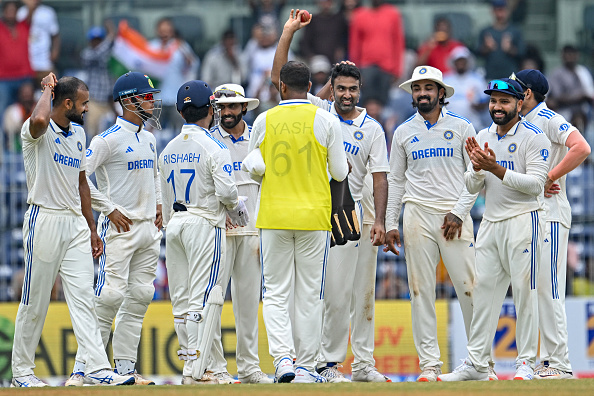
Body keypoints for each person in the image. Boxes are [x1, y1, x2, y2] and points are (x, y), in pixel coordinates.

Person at [272, 10, 390, 383]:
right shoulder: (319, 113)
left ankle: (359, 365)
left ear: (361, 91)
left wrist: (382, 221)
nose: (347, 95)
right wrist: (289, 32)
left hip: (351, 217)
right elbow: (281, 82)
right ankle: (325, 364)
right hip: (317, 213)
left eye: (353, 89)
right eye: (340, 88)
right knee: (330, 296)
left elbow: (381, 176)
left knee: (358, 297)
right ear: (330, 90)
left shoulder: (371, 127)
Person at [11, 73, 135, 387]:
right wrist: (47, 88)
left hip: (75, 225)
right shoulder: (35, 130)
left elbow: (82, 182)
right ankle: (22, 373)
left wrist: (92, 227)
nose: (86, 109)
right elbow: (40, 117)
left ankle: (97, 367)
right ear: (66, 103)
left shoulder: (79, 134)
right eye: (83, 104)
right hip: (45, 218)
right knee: (35, 300)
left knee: (83, 297)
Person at [438, 78, 551, 382]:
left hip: (524, 220)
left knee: (525, 293)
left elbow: (535, 186)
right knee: (483, 292)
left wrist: (495, 168)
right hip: (490, 223)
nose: (497, 107)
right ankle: (477, 363)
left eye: (504, 101)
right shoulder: (482, 135)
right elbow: (473, 185)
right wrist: (476, 169)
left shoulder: (534, 137)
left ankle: (525, 363)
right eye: (493, 101)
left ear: (519, 103)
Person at [246, 60, 348, 383]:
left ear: (282, 87)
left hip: (274, 215)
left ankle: (282, 362)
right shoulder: (326, 119)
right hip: (314, 217)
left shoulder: (263, 120)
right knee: (309, 294)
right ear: (310, 85)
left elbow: (252, 165)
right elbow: (341, 173)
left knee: (275, 293)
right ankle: (305, 366)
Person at [65, 72, 163, 386]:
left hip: (148, 229)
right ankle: (83, 369)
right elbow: (79, 177)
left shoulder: (149, 138)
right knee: (109, 296)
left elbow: (156, 175)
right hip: (120, 230)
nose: (152, 101)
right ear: (128, 100)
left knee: (140, 297)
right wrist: (109, 208)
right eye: (146, 96)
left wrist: (159, 203)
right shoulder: (106, 140)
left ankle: (124, 369)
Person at [384, 66, 480, 382]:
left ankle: (481, 363)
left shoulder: (464, 128)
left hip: (454, 215)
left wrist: (459, 212)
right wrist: (389, 222)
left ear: (441, 93)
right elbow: (395, 180)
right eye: (417, 88)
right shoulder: (402, 132)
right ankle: (429, 365)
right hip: (416, 214)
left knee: (469, 288)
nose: (422, 93)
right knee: (420, 290)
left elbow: (476, 176)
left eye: (429, 88)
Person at [158, 80, 248, 385]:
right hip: (204, 225)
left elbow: (164, 199)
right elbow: (227, 193)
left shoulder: (168, 148)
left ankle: (195, 367)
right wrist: (238, 207)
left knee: (181, 302)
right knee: (205, 299)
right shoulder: (214, 146)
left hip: (175, 225)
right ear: (210, 109)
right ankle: (200, 371)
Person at [511, 69, 591, 379]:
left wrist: (549, 176)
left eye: (516, 86)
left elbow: (582, 147)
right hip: (533, 214)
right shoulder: (523, 124)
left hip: (551, 214)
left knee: (550, 288)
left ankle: (560, 364)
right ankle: (546, 361)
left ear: (527, 93)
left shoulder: (548, 118)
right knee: (536, 289)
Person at [207, 83, 272, 384]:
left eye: (233, 107)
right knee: (215, 301)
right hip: (218, 228)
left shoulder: (259, 141)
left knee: (248, 304)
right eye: (222, 107)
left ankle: (248, 369)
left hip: (251, 229)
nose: (227, 112)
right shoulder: (208, 140)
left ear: (245, 108)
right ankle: (217, 368)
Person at [349, 0, 405, 105]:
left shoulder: (393, 14)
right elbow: (354, 45)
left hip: (387, 67)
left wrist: (397, 70)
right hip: (366, 66)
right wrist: (355, 72)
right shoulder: (359, 15)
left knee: (385, 103)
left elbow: (398, 42)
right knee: (366, 102)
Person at [148, 17, 199, 132]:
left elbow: (194, 64)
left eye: (167, 30)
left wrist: (185, 55)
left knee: (179, 131)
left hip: (175, 97)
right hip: (156, 98)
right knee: (153, 132)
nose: (164, 34)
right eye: (162, 31)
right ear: (157, 31)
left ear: (172, 31)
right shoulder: (151, 47)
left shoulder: (180, 46)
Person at [0, 0, 34, 127]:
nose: (11, 13)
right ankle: (4, 144)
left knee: (28, 112)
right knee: (3, 112)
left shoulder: (24, 25)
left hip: (24, 76)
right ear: (3, 12)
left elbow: (31, 5)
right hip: (3, 78)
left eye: (13, 10)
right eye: (8, 10)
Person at [547, 45, 594, 133]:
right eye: (567, 54)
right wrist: (578, 97)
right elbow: (557, 97)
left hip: (585, 110)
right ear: (562, 56)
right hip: (563, 111)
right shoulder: (556, 73)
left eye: (572, 54)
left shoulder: (583, 71)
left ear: (577, 55)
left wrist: (585, 97)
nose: (569, 57)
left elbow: (590, 93)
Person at [81, 23, 116, 137]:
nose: (97, 43)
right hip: (94, 101)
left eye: (99, 40)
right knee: (92, 134)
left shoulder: (109, 55)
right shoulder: (87, 54)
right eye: (94, 40)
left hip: (109, 102)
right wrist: (110, 37)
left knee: (110, 135)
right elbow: (99, 53)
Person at [443, 46, 490, 130]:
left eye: (463, 61)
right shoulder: (445, 79)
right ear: (453, 62)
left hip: (473, 126)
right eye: (458, 61)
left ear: (468, 62)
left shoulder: (477, 79)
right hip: (449, 127)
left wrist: (477, 106)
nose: (460, 63)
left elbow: (486, 103)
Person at [477, 0, 524, 80]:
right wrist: (487, 48)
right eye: (498, 10)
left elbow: (522, 53)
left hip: (510, 76)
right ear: (493, 11)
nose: (500, 13)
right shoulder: (486, 31)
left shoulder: (515, 31)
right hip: (490, 76)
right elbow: (477, 52)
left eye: (502, 10)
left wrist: (510, 49)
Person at [16, 0, 59, 84]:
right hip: (26, 62)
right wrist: (30, 9)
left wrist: (55, 51)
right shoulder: (20, 12)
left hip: (44, 61)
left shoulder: (48, 12)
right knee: (27, 93)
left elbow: (55, 35)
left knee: (49, 89)